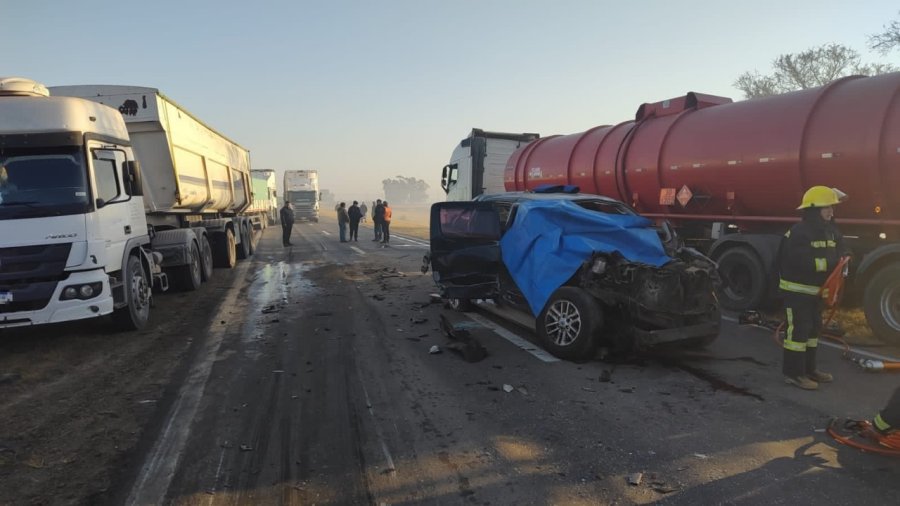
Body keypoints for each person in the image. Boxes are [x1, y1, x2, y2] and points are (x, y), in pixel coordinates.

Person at [778, 186, 848, 390]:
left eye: (832, 208)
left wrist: (845, 256)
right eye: (827, 208)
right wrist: (832, 264)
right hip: (797, 292)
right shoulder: (799, 232)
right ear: (813, 209)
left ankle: (809, 369)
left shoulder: (830, 230)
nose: (831, 212)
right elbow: (801, 261)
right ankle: (794, 374)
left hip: (816, 293)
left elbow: (842, 247)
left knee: (813, 331)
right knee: (797, 333)